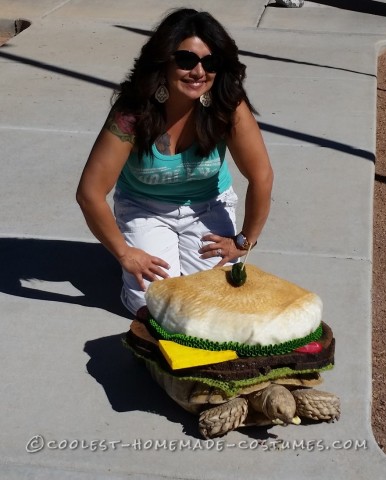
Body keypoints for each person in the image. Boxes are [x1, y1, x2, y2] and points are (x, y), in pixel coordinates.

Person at [76, 8, 273, 317]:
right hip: (145, 208)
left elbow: (261, 176)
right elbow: (89, 193)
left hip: (207, 207)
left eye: (209, 62)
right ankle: (138, 245)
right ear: (164, 61)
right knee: (155, 307)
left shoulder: (227, 106)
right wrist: (125, 253)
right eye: (185, 60)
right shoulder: (134, 112)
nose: (198, 72)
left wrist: (244, 242)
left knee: (212, 304)